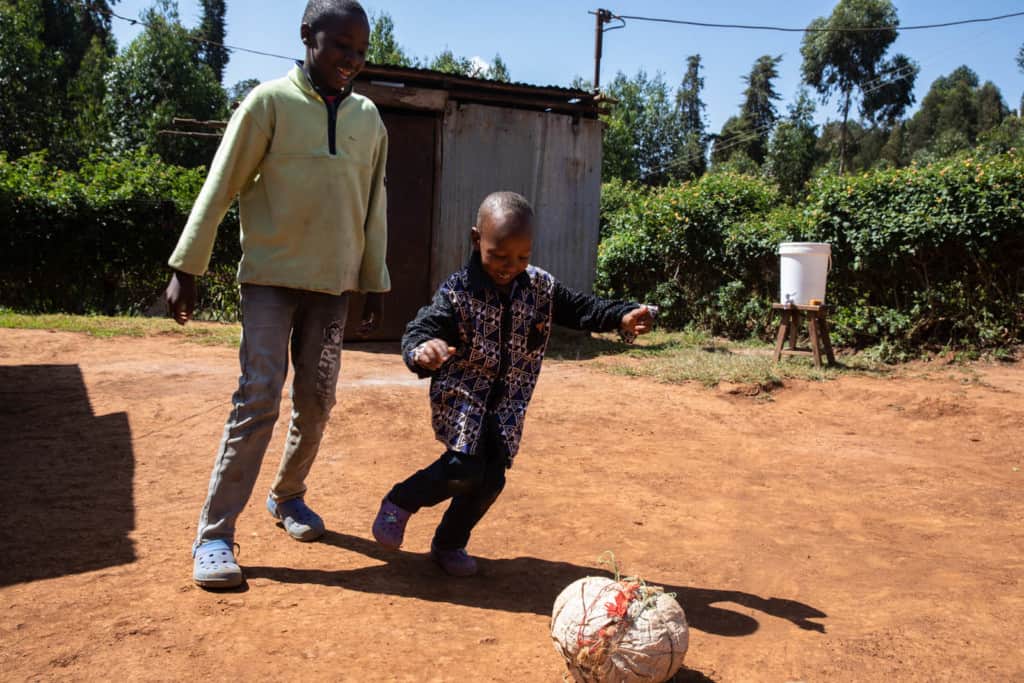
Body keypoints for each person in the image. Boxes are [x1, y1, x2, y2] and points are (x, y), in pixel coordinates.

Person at [165, 0, 389, 589]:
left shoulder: (369, 119)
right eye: (341, 46)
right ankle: (214, 535)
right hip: (268, 281)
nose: (351, 60)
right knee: (258, 397)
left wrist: (374, 280)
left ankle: (288, 496)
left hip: (333, 288)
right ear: (307, 37)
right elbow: (222, 183)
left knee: (316, 402)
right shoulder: (268, 104)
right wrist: (187, 264)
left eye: (361, 51)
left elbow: (374, 208)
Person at [371, 192, 654, 576]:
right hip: (464, 392)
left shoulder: (540, 287)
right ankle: (401, 500)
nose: (511, 267)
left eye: (522, 257)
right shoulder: (457, 292)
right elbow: (421, 328)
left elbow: (583, 307)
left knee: (491, 478)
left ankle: (449, 543)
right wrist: (423, 350)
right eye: (499, 256)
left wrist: (621, 316)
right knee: (465, 465)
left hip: (509, 399)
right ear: (476, 240)